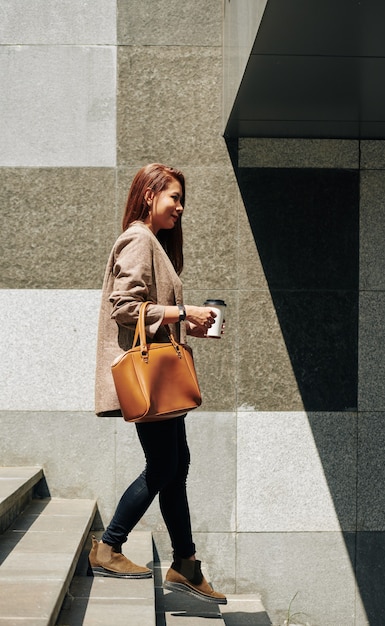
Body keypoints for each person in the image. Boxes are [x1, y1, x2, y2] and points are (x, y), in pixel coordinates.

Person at [90, 163, 227, 605]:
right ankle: (109, 546)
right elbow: (125, 307)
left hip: (161, 380)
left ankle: (185, 563)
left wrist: (190, 322)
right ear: (150, 194)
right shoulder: (137, 239)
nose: (180, 207)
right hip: (150, 380)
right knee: (166, 466)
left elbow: (149, 310)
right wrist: (183, 313)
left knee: (176, 465)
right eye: (174, 197)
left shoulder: (154, 244)